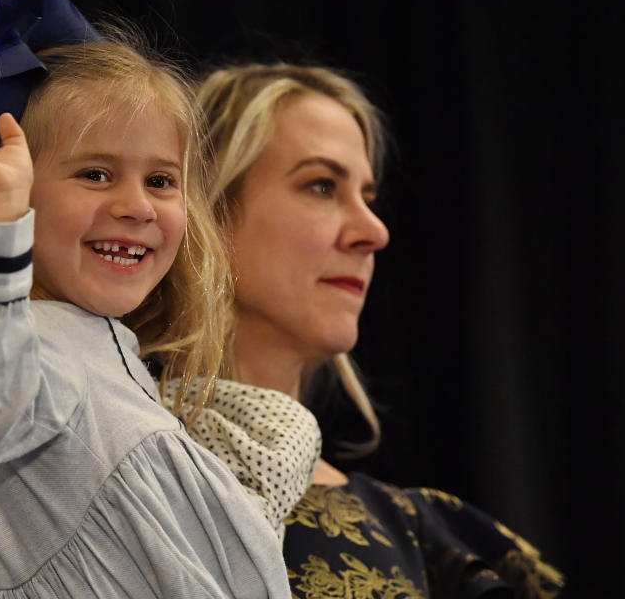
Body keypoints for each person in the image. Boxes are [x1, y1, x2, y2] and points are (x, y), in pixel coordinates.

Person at [0, 0, 297, 598]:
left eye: (160, 180)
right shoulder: (29, 352)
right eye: (95, 174)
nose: (135, 205)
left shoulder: (106, 362)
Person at [194, 63, 564, 598]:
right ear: (209, 212)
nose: (375, 231)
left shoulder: (429, 540)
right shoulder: (110, 467)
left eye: (367, 197)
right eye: (322, 186)